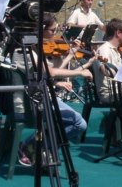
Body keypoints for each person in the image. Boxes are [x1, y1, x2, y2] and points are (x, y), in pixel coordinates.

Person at [18, 14, 90, 165]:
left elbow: (48, 73)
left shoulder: (37, 49)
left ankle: (37, 146)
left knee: (76, 123)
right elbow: (50, 72)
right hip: (38, 98)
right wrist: (80, 72)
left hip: (45, 93)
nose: (55, 35)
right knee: (78, 123)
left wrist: (70, 55)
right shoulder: (28, 51)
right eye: (53, 30)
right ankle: (37, 146)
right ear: (41, 30)